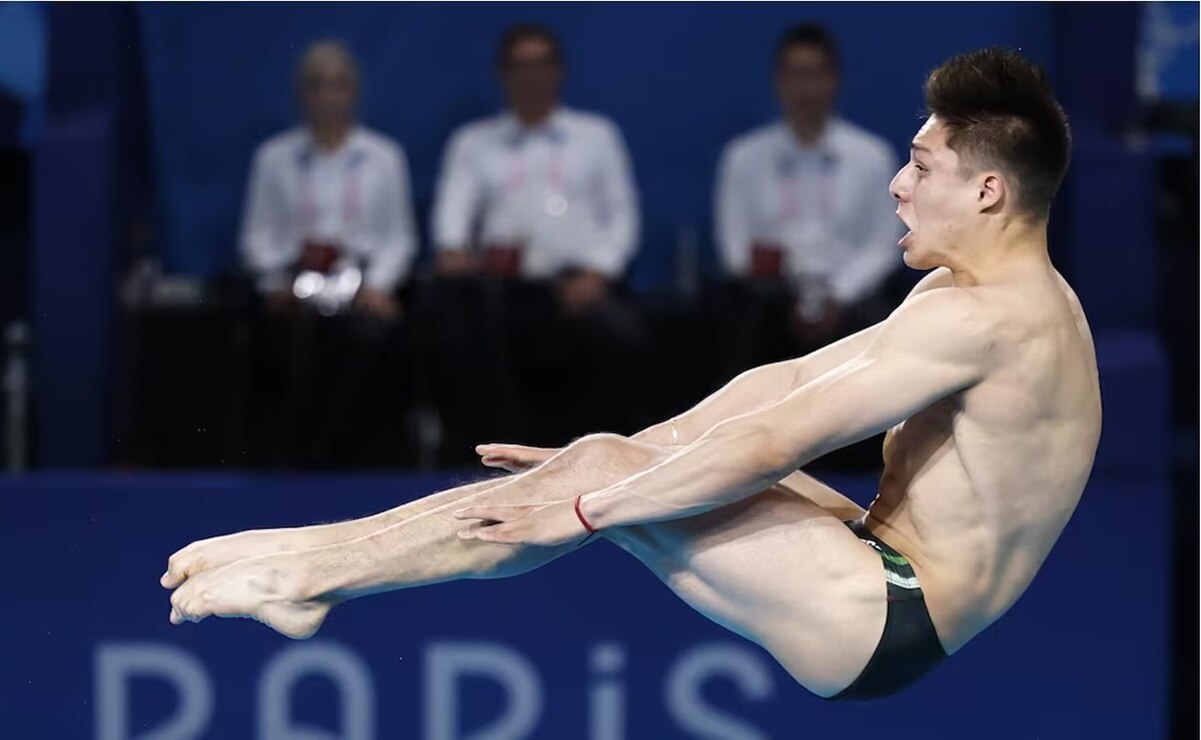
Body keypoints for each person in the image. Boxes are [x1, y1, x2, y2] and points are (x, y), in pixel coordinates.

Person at [163, 48, 1101, 702]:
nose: (897, 184)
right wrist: (631, 460)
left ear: (987, 189)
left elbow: (782, 441)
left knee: (594, 480)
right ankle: (309, 565)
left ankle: (308, 572)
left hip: (887, 613)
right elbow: (778, 387)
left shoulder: (988, 321)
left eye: (920, 164)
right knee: (602, 460)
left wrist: (586, 504)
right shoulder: (970, 290)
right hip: (879, 566)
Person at [425, 23, 644, 461]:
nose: (532, 77)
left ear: (558, 71)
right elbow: (452, 218)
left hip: (576, 286)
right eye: (520, 66)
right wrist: (453, 251)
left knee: (622, 339)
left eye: (541, 64)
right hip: (500, 292)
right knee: (457, 326)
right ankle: (484, 461)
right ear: (502, 74)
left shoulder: (596, 137)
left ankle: (601, 464)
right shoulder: (473, 143)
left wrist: (598, 273)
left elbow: (622, 220)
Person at [240, 40, 419, 466]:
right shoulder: (274, 158)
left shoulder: (383, 157)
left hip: (360, 287)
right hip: (294, 285)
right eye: (317, 85)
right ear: (303, 93)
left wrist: (379, 286)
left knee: (368, 340)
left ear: (352, 91)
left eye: (337, 84)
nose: (328, 95)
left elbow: (399, 238)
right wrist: (276, 282)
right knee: (291, 340)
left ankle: (345, 453)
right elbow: (256, 237)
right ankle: (296, 456)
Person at [713, 24, 905, 377]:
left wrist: (838, 295)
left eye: (815, 74)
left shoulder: (871, 156)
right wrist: (791, 293)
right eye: (795, 75)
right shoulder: (744, 156)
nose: (805, 88)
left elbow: (883, 245)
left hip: (850, 297)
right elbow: (735, 246)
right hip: (771, 296)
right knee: (740, 319)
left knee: (887, 325)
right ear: (778, 80)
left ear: (835, 79)